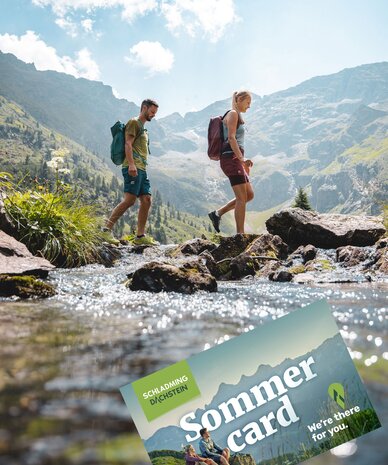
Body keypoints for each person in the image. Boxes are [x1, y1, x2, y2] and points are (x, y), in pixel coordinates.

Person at [105, 99, 159, 245]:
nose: (153, 115)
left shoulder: (143, 127)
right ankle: (105, 231)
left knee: (146, 200)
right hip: (133, 167)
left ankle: (140, 237)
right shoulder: (134, 123)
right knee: (129, 200)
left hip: (142, 168)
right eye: (152, 112)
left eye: (155, 113)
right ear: (144, 108)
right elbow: (128, 144)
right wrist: (131, 165)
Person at [208, 91, 254, 234]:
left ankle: (217, 213)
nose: (249, 106)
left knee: (249, 195)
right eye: (248, 103)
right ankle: (240, 235)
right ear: (239, 100)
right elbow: (232, 138)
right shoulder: (233, 114)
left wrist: (242, 162)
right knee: (241, 198)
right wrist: (241, 159)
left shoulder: (236, 115)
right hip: (231, 159)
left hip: (235, 159)